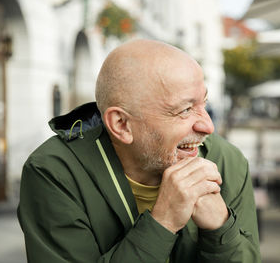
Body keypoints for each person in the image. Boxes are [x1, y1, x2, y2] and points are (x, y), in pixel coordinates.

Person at [18, 39, 261, 263]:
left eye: (203, 103)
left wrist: (220, 228)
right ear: (122, 125)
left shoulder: (226, 161)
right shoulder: (54, 172)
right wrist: (163, 222)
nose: (208, 126)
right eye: (185, 110)